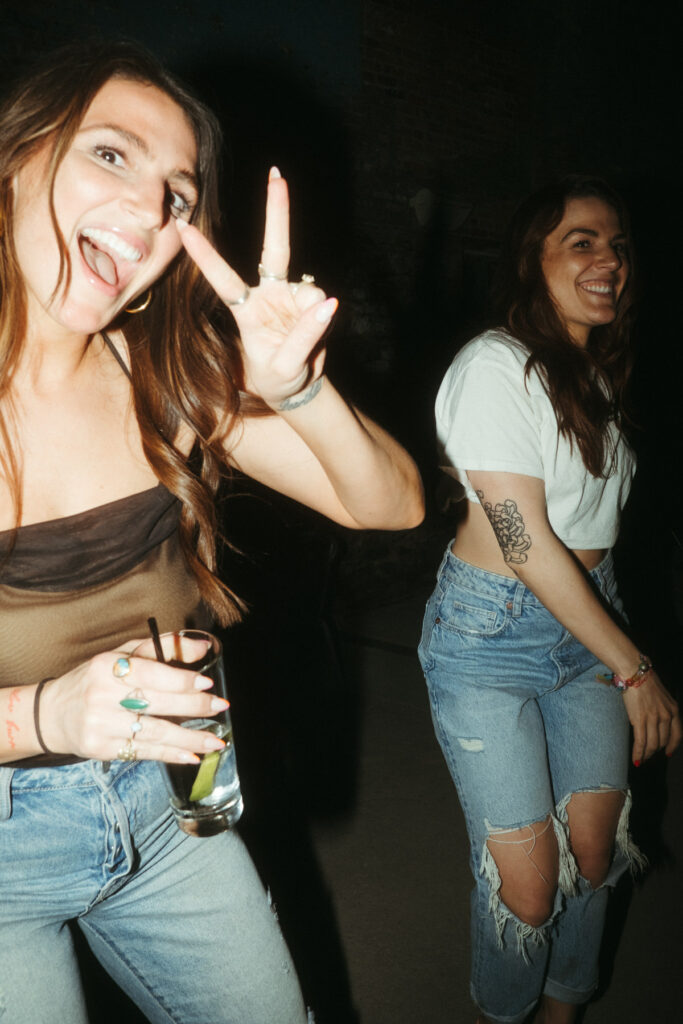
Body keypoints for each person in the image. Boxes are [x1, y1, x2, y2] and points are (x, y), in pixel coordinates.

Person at [0, 41, 424, 1024]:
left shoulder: (166, 380)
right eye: (111, 154)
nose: (148, 210)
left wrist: (299, 390)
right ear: (18, 157)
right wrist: (41, 718)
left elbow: (392, 504)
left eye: (178, 197)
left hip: (172, 810)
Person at [418, 175, 681, 1024]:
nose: (609, 260)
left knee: (595, 853)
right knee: (529, 893)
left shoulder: (594, 375)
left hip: (588, 617)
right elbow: (522, 540)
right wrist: (634, 668)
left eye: (618, 245)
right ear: (532, 261)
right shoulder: (493, 366)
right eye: (582, 242)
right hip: (488, 636)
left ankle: (563, 1013)